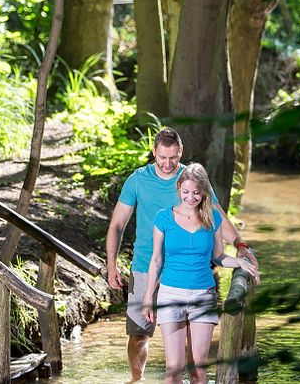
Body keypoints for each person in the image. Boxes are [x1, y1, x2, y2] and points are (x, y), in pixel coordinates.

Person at [106, 127, 258, 381]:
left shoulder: (191, 181)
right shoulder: (138, 179)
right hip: (145, 266)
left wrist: (240, 246)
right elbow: (117, 225)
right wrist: (112, 265)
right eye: (162, 157)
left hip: (188, 272)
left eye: (173, 157)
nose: (167, 163)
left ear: (181, 153)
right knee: (139, 334)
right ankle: (136, 378)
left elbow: (217, 215)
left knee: (191, 354)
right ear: (154, 152)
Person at [140, 163, 260, 383]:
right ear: (179, 189)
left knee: (199, 370)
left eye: (196, 192)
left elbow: (218, 256)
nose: (190, 197)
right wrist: (149, 297)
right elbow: (156, 260)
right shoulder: (163, 218)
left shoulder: (212, 218)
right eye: (185, 192)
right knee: (173, 370)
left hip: (202, 295)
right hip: (170, 295)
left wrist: (240, 263)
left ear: (204, 191)